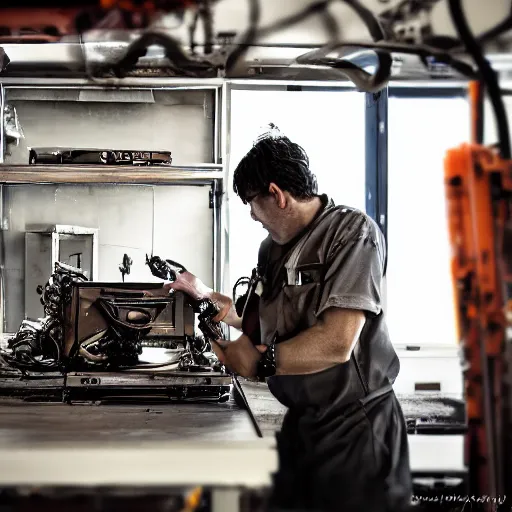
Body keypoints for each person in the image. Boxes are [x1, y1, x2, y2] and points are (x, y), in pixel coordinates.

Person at [165, 128, 413, 512]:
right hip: (304, 428)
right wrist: (202, 295)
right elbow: (254, 319)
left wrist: (261, 362)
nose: (251, 214)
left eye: (251, 201)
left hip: (357, 431)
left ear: (277, 194)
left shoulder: (352, 234)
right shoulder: (272, 250)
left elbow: (337, 343)